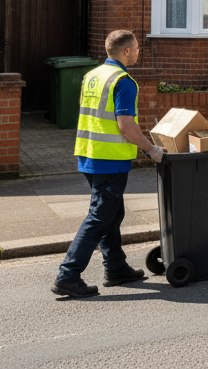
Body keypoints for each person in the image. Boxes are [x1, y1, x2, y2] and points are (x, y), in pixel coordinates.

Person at [52, 30, 164, 298]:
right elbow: (126, 125)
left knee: (112, 214)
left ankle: (115, 267)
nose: (138, 51)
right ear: (126, 51)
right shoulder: (124, 81)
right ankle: (68, 275)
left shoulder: (93, 76)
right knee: (100, 217)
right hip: (109, 160)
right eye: (136, 48)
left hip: (89, 154)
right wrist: (150, 149)